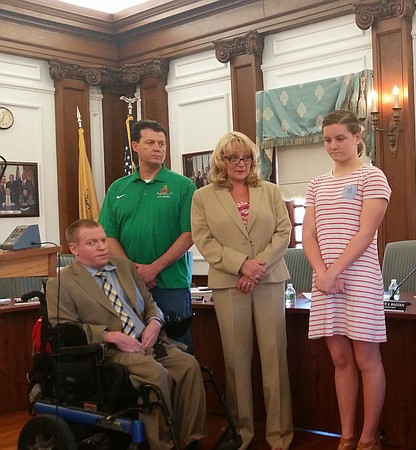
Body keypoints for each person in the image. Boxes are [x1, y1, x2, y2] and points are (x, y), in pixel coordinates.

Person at [46, 219, 206, 450]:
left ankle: (190, 439)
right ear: (74, 249)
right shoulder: (61, 283)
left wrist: (155, 321)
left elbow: (150, 303)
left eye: (103, 240)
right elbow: (64, 328)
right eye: (92, 242)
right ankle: (162, 444)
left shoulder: (124, 267)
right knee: (154, 373)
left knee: (188, 365)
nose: (102, 246)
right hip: (111, 350)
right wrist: (109, 336)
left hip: (149, 340)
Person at [191, 131, 293, 450]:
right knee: (236, 361)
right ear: (221, 160)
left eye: (246, 157)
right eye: (233, 157)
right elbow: (204, 240)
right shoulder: (203, 196)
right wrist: (240, 265)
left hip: (269, 280)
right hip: (229, 283)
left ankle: (279, 435)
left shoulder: (271, 191)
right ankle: (242, 433)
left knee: (275, 359)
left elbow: (284, 232)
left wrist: (256, 266)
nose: (240, 163)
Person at [302, 109, 390, 450]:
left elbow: (365, 233)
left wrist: (334, 272)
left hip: (359, 280)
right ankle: (347, 435)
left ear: (357, 137)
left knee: (366, 360)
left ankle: (369, 438)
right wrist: (323, 274)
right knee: (340, 360)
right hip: (325, 282)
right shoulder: (316, 184)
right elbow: (308, 235)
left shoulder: (373, 177)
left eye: (340, 138)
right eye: (327, 139)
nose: (333, 145)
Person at [99, 119, 197, 351]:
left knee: (177, 349)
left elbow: (190, 233)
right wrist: (133, 272)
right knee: (135, 348)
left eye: (162, 144)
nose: (158, 148)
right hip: (127, 284)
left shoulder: (183, 186)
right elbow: (108, 235)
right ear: (135, 146)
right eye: (151, 142)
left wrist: (153, 268)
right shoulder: (117, 189)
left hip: (171, 284)